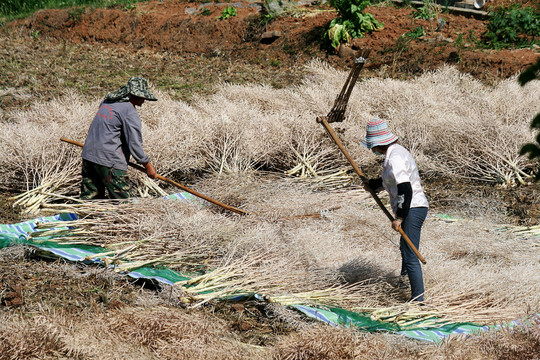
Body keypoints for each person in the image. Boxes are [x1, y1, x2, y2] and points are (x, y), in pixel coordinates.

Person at [361, 118, 429, 302]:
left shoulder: (396, 157)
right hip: (412, 206)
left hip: (413, 207)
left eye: (372, 146)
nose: (371, 150)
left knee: (410, 253)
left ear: (378, 144)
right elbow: (390, 182)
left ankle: (418, 301)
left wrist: (399, 217)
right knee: (405, 247)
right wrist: (373, 185)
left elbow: (405, 188)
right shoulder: (394, 153)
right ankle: (404, 281)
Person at [80, 77, 158, 200]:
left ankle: (84, 218)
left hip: (89, 155)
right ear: (134, 95)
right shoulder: (129, 111)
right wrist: (147, 165)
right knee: (124, 204)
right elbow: (134, 144)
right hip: (109, 160)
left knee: (90, 199)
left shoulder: (107, 102)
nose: (144, 100)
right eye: (142, 96)